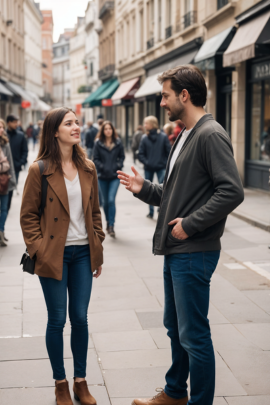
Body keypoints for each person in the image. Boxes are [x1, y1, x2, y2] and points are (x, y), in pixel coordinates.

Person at [118, 65, 244, 405]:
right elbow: (176, 195)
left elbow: (231, 191)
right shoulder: (185, 134)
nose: (162, 103)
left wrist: (191, 224)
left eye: (165, 96)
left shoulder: (209, 134)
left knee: (194, 335)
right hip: (178, 249)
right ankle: (175, 392)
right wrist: (144, 188)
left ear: (184, 96)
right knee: (175, 327)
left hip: (194, 250)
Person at [20, 107, 105, 405]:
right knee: (57, 320)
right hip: (53, 255)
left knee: (79, 318)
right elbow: (28, 216)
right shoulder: (39, 169)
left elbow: (95, 212)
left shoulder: (88, 167)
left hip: (83, 254)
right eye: (69, 123)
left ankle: (81, 381)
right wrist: (38, 249)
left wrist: (98, 246)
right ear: (54, 131)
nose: (76, 127)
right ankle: (60, 383)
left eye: (77, 122)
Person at [93, 120, 125, 238]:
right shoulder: (98, 143)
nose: (108, 131)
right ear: (103, 131)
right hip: (102, 177)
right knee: (105, 202)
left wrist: (118, 165)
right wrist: (102, 167)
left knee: (111, 200)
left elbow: (122, 156)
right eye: (106, 129)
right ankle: (107, 221)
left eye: (110, 129)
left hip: (114, 177)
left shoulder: (118, 142)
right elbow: (95, 158)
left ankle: (111, 225)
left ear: (112, 130)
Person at [138, 116, 171, 219]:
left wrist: (164, 163)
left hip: (161, 167)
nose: (144, 125)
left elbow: (169, 152)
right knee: (148, 190)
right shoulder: (144, 138)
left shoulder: (163, 136)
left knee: (164, 188)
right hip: (149, 168)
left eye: (146, 123)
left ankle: (160, 208)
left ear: (152, 124)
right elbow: (140, 154)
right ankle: (151, 212)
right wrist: (147, 162)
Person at [6, 114, 28, 210]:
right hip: (3, 168)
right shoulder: (3, 135)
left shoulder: (20, 135)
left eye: (17, 122)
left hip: (16, 168)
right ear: (8, 123)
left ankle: (6, 208)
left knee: (11, 188)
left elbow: (25, 150)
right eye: (14, 122)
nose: (16, 124)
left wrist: (21, 162)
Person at [0, 119, 16, 246]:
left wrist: (13, 180)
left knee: (5, 208)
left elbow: (9, 163)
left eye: (2, 127)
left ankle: (1, 231)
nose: (1, 129)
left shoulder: (5, 143)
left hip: (4, 181)